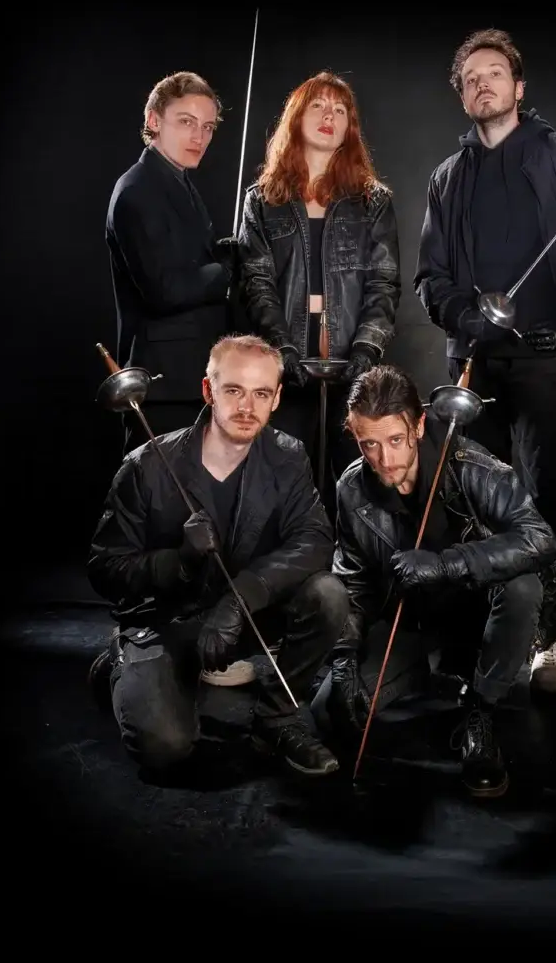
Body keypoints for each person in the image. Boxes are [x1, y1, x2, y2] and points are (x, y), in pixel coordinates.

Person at [413, 28, 556, 695]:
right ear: (462, 98)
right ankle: (478, 642)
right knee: (470, 499)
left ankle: (548, 637)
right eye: (470, 79)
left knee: (541, 497)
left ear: (517, 87)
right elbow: (430, 278)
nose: (482, 84)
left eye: (494, 73)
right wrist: (466, 318)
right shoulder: (448, 178)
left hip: (541, 364)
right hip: (473, 365)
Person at [86, 334, 349, 781]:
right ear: (208, 390)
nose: (247, 406)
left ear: (276, 398)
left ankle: (276, 718)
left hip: (242, 617)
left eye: (261, 393)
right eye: (233, 390)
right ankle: (120, 659)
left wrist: (240, 598)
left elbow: (314, 540)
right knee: (164, 748)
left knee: (328, 594)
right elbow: (104, 568)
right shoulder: (146, 466)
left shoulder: (287, 456)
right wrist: (179, 561)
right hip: (169, 621)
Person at [311, 364, 556, 799]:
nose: (384, 459)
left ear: (419, 424)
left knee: (523, 587)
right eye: (369, 444)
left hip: (480, 619)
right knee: (330, 714)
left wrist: (447, 564)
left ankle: (481, 710)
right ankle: (429, 674)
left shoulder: (472, 466)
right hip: (411, 623)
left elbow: (540, 541)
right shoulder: (352, 487)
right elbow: (352, 580)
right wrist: (345, 656)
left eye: (395, 440)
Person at [237, 70, 401, 514]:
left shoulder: (372, 201)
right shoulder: (262, 201)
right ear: (296, 118)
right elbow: (256, 282)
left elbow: (383, 283)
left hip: (350, 365)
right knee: (282, 486)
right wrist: (281, 347)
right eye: (318, 106)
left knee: (356, 490)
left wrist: (366, 349)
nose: (330, 116)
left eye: (340, 110)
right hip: (284, 368)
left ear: (350, 127)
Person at [106, 71, 233, 454]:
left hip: (190, 377)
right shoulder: (137, 189)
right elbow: (166, 289)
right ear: (154, 120)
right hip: (165, 385)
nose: (199, 137)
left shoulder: (177, 180)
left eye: (208, 127)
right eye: (186, 122)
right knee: (157, 489)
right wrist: (228, 270)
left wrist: (223, 252)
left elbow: (187, 259)